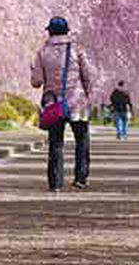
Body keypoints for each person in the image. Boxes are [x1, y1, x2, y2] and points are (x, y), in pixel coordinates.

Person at [31, 16, 92, 191]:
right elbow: (87, 75)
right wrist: (86, 94)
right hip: (77, 101)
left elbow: (36, 82)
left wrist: (34, 71)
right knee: (82, 139)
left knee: (56, 142)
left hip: (54, 104)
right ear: (67, 31)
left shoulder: (43, 52)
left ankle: (56, 183)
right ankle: (81, 177)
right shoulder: (77, 49)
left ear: (49, 31)